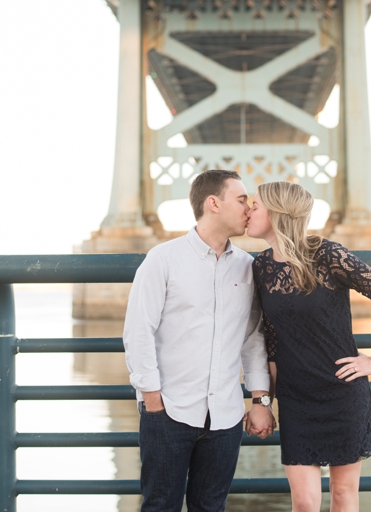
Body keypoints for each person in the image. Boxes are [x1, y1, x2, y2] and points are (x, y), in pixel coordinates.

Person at [246, 181, 371, 512]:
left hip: (342, 393)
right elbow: (272, 341)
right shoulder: (260, 267)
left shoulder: (328, 255)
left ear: (277, 213)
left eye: (255, 205)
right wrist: (265, 402)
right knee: (304, 503)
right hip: (295, 399)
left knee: (343, 494)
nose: (248, 210)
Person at [123, 169, 275, 512]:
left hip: (225, 417)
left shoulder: (248, 267)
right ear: (213, 203)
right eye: (241, 201)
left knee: (211, 507)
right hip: (168, 412)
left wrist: (260, 401)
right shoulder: (163, 259)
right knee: (160, 506)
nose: (249, 209)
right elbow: (138, 331)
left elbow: (253, 339)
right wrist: (152, 400)